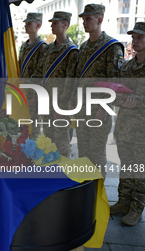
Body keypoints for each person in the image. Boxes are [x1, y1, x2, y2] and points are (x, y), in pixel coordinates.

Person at [73, 4, 124, 176]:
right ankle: (84, 193)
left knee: (97, 154)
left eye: (88, 19)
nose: (84, 23)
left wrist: (104, 108)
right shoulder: (83, 47)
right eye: (83, 19)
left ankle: (97, 195)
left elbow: (115, 82)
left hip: (98, 111)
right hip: (82, 109)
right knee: (83, 153)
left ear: (100, 20)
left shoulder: (112, 47)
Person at [110, 22, 145, 226]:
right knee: (126, 166)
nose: (135, 40)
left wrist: (138, 101)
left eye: (140, 37)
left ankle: (136, 208)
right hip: (124, 127)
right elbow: (116, 92)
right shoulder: (128, 66)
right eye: (134, 36)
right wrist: (119, 100)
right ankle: (123, 201)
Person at [31, 11, 78, 158]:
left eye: (56, 23)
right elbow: (40, 72)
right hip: (46, 101)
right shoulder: (49, 49)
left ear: (65, 25)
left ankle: (63, 176)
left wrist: (63, 107)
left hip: (60, 104)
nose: (52, 25)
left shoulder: (72, 51)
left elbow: (71, 82)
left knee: (62, 141)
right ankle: (50, 169)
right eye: (52, 23)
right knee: (48, 139)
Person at [18, 12, 47, 139]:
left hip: (33, 95)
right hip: (22, 92)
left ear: (38, 25)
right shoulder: (24, 46)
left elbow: (41, 74)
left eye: (29, 23)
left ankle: (34, 156)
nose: (26, 26)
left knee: (34, 128)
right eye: (26, 23)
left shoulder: (43, 47)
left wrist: (35, 96)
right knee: (22, 127)